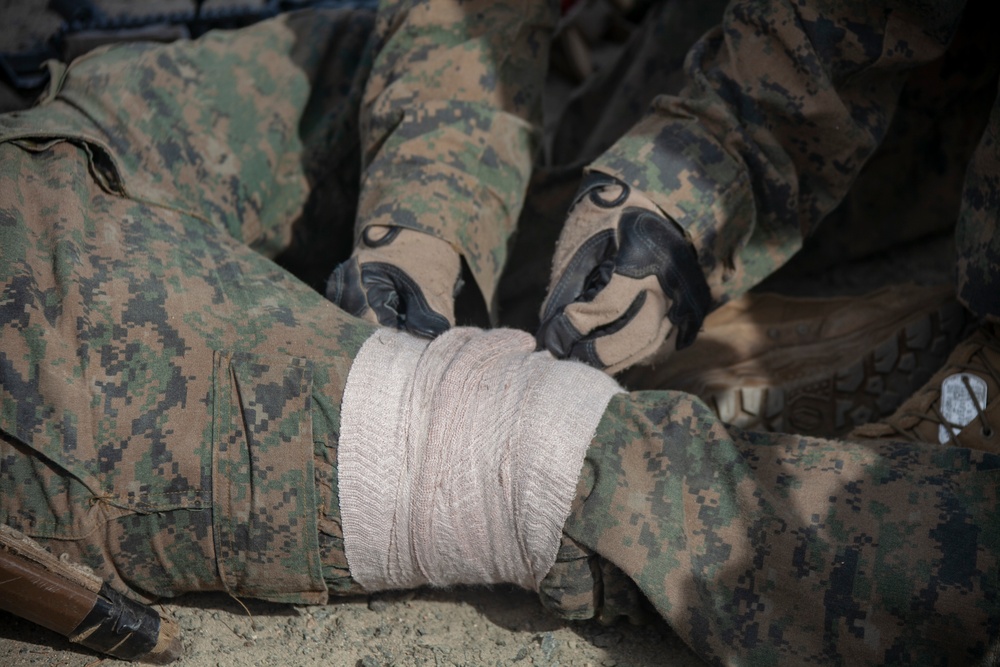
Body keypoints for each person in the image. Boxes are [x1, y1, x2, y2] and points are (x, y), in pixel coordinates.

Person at [1, 2, 998, 666]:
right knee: (535, 456)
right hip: (29, 282)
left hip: (101, 118)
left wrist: (422, 230)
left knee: (520, 293)